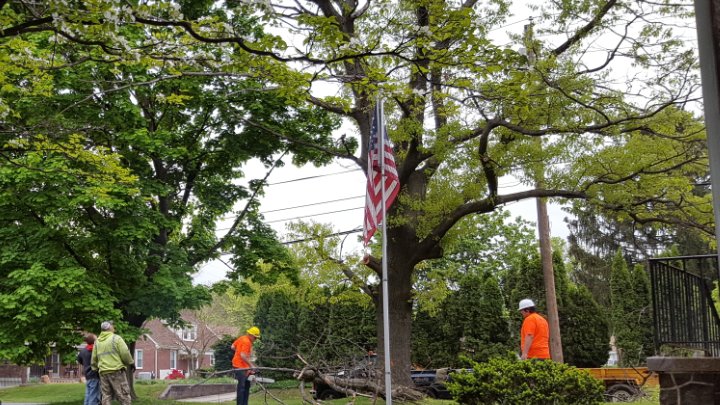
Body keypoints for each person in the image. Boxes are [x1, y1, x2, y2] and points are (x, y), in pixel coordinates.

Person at [91, 321, 135, 405]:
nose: (114, 327)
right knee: (123, 395)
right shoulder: (116, 338)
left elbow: (94, 359)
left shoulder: (97, 342)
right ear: (109, 328)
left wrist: (95, 369)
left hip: (103, 373)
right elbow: (125, 353)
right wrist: (131, 362)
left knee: (106, 396)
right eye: (112, 325)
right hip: (116, 372)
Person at [231, 326, 260, 405]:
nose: (255, 339)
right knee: (242, 387)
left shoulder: (242, 338)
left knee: (246, 386)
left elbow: (232, 347)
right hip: (240, 366)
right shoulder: (247, 342)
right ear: (250, 335)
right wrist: (251, 366)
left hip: (239, 365)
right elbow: (243, 355)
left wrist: (239, 352)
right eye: (255, 337)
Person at [77, 333, 101, 405]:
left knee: (88, 395)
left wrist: (85, 364)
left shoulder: (83, 350)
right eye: (96, 338)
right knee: (93, 396)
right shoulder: (95, 350)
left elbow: (79, 360)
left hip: (87, 375)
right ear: (94, 341)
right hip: (95, 375)